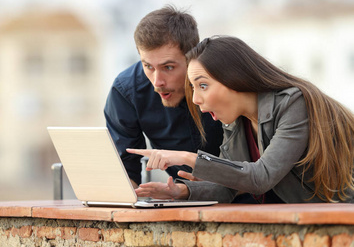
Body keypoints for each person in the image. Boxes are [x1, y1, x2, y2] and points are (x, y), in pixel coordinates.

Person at [128, 35, 354, 203]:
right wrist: (181, 191)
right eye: (193, 88)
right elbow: (230, 188)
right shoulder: (236, 123)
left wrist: (188, 158)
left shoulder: (294, 104)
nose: (195, 99)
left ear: (234, 79)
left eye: (203, 85)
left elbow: (261, 177)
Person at [104, 6, 223, 188]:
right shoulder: (126, 91)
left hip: (249, 198)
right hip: (181, 202)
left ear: (193, 57)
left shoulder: (224, 78)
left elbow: (252, 167)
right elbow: (126, 173)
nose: (157, 82)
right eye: (148, 66)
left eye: (168, 67)